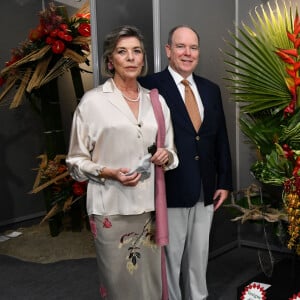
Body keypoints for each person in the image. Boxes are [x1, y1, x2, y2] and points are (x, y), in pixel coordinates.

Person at [66, 25, 178, 300]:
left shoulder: (157, 101)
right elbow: (74, 161)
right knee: (119, 285)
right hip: (111, 210)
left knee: (151, 282)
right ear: (110, 60)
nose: (130, 58)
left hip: (150, 209)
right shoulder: (92, 103)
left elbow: (172, 153)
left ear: (143, 59)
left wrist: (167, 156)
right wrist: (107, 172)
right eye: (122, 51)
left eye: (136, 51)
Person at [139, 25, 233, 299]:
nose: (187, 53)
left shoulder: (210, 89)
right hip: (170, 187)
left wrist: (224, 181)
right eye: (181, 46)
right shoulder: (150, 87)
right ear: (168, 50)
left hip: (206, 187)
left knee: (199, 254)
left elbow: (221, 140)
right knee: (171, 257)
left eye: (193, 48)